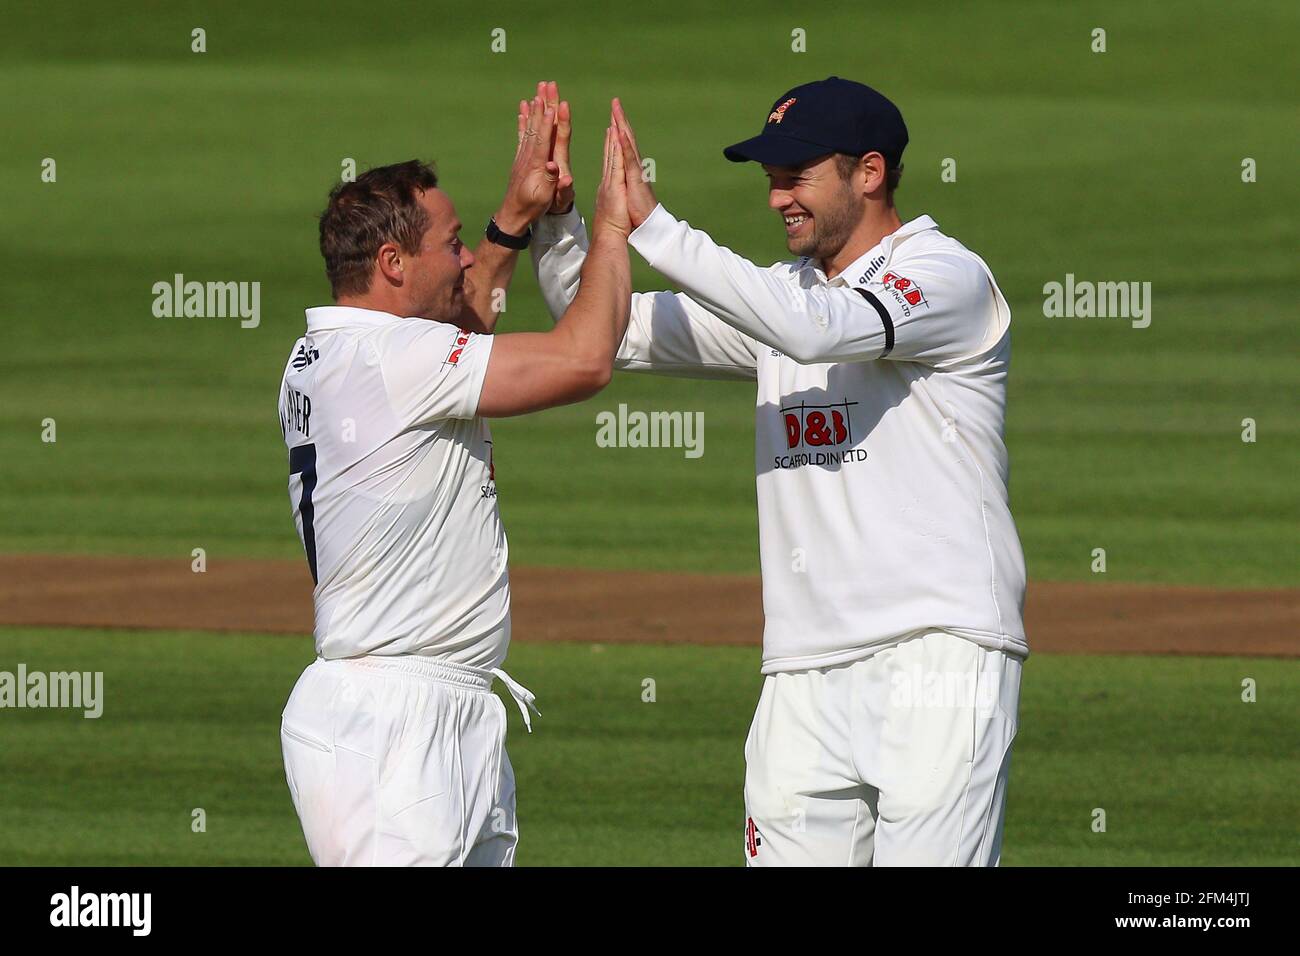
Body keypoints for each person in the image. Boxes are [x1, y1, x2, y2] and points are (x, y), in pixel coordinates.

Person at [532, 77, 1027, 866]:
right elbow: (601, 328)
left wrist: (655, 225)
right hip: (801, 665)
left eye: (796, 176)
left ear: (870, 172)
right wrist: (563, 221)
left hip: (938, 652)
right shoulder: (781, 300)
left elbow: (817, 331)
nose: (776, 199)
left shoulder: (945, 277)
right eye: (769, 179)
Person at [277, 90, 631, 866]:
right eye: (454, 242)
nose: (468, 256)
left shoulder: (338, 353)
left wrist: (516, 213)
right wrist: (608, 225)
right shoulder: (391, 360)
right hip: (390, 722)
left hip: (433, 705)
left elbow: (464, 318)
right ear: (392, 264)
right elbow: (585, 359)